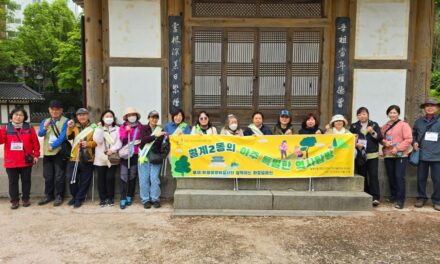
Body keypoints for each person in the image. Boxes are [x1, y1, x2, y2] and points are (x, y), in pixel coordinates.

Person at [0, 108, 40, 209]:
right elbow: (1, 141)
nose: (18, 117)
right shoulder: (5, 128)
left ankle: (26, 199)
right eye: (16, 114)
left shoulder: (29, 127)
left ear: (24, 117)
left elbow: (35, 142)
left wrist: (36, 155)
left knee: (26, 180)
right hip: (11, 161)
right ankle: (14, 201)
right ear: (11, 116)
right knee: (13, 182)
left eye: (21, 115)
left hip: (26, 160)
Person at [37, 100, 70, 206]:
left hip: (59, 153)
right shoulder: (45, 120)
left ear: (61, 110)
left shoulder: (66, 121)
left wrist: (53, 145)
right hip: (47, 153)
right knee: (48, 176)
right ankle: (48, 195)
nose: (55, 111)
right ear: (49, 110)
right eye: (52, 109)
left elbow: (63, 136)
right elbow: (40, 134)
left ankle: (59, 195)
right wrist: (45, 127)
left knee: (59, 176)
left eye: (57, 109)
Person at [381, 105, 412, 209]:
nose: (392, 114)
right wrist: (385, 143)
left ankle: (400, 200)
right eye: (390, 113)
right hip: (388, 155)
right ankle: (394, 196)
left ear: (398, 113)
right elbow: (381, 138)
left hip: (401, 155)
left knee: (399, 177)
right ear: (388, 114)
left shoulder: (404, 125)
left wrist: (397, 148)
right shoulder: (385, 126)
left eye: (394, 112)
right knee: (391, 176)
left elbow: (408, 139)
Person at [349, 107, 383, 206]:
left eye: (364, 114)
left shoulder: (374, 124)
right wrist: (356, 145)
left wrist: (372, 132)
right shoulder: (354, 126)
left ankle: (375, 197)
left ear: (368, 115)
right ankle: (365, 195)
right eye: (359, 114)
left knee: (373, 175)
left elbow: (380, 138)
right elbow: (350, 140)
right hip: (360, 155)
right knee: (362, 175)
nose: (362, 116)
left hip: (372, 154)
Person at [412, 98, 440, 211]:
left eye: (432, 105)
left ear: (437, 108)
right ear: (424, 108)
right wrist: (414, 142)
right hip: (422, 154)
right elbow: (413, 134)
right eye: (427, 105)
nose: (430, 107)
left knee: (437, 179)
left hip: (437, 155)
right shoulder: (419, 121)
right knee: (421, 178)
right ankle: (421, 197)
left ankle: (437, 200)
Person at [66, 108, 97, 208]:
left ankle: (79, 198)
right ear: (77, 117)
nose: (82, 117)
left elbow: (98, 142)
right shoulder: (74, 127)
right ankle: (74, 196)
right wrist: (69, 127)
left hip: (88, 157)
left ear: (88, 116)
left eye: (84, 114)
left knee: (85, 180)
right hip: (75, 157)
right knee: (71, 178)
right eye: (79, 115)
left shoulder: (94, 127)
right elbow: (69, 137)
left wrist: (89, 143)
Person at [138, 110, 167, 209]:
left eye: (156, 117)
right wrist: (155, 136)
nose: (154, 119)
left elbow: (160, 144)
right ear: (148, 118)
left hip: (155, 157)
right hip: (144, 156)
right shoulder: (144, 128)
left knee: (154, 179)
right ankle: (145, 199)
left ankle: (155, 199)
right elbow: (144, 139)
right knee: (143, 179)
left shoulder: (160, 129)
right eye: (152, 117)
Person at [93, 110, 122, 207]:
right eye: (106, 116)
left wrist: (112, 150)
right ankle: (102, 199)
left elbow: (119, 142)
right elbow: (98, 141)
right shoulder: (99, 128)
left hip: (112, 157)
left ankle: (110, 198)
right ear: (102, 118)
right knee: (101, 179)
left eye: (111, 116)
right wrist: (100, 129)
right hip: (100, 158)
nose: (109, 118)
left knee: (110, 178)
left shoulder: (117, 129)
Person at [119, 107, 142, 209]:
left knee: (132, 175)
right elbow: (122, 139)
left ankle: (129, 196)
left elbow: (143, 138)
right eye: (129, 115)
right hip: (125, 153)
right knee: (124, 175)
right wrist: (127, 132)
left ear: (136, 116)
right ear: (126, 117)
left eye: (133, 114)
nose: (131, 116)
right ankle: (123, 198)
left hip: (136, 153)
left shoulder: (141, 126)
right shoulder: (122, 127)